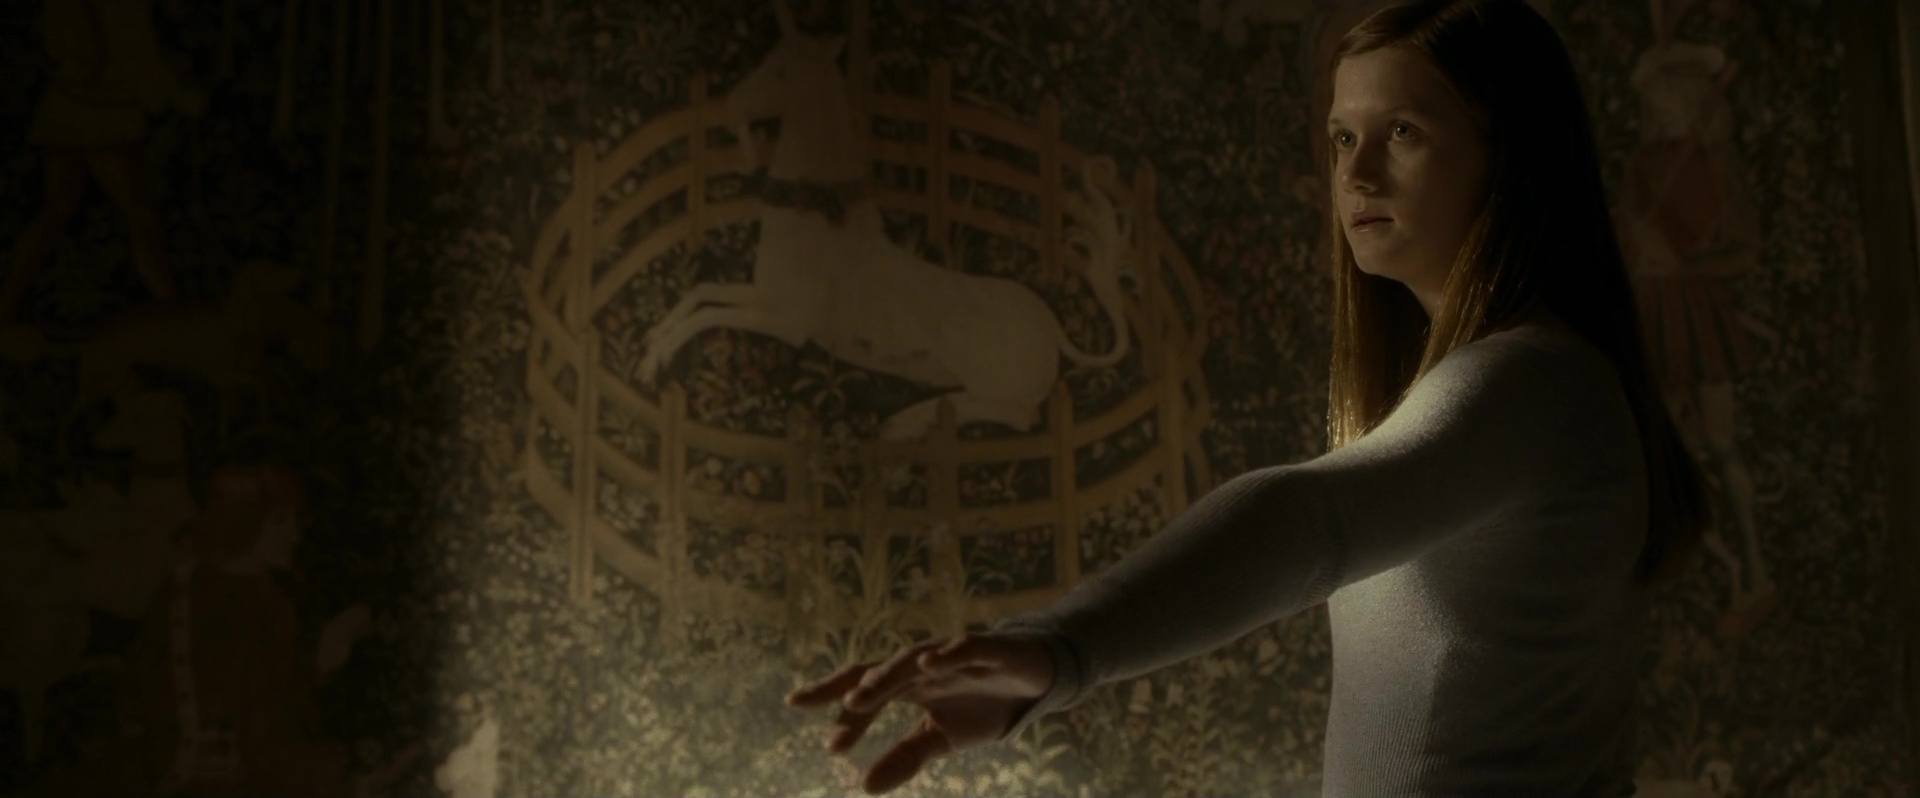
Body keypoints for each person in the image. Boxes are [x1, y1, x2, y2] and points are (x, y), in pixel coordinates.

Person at [783, 1, 1709, 794]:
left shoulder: (1533, 382)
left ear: (1512, 158)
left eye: (1403, 133)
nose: (1356, 174)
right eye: (1342, 137)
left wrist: (1062, 649)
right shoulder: (1495, 382)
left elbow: (1312, 520)